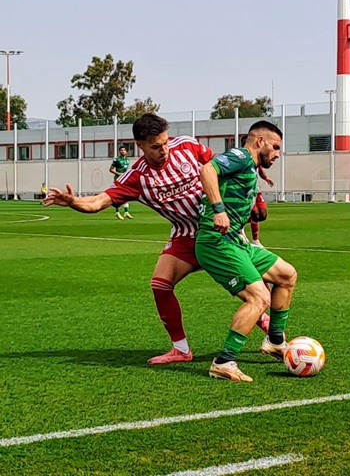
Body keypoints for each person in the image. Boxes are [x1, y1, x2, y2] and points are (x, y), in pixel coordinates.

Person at [44, 114, 270, 364]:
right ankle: (181, 349)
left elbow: (226, 167)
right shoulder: (137, 177)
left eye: (165, 142)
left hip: (219, 231)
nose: (164, 149)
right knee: (160, 285)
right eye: (155, 146)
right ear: (140, 145)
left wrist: (255, 191)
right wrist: (73, 202)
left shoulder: (187, 146)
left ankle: (274, 338)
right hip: (185, 236)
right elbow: (98, 202)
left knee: (251, 292)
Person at [196, 121, 298, 382]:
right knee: (259, 298)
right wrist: (219, 210)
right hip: (217, 242)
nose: (277, 154)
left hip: (237, 242)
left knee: (287, 275)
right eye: (275, 147)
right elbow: (207, 169)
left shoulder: (249, 165)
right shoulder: (241, 155)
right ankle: (224, 361)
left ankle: (275, 341)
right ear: (259, 141)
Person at [110, 146, 133, 220]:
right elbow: (111, 169)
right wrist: (119, 173)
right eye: (121, 150)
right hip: (118, 179)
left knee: (126, 195)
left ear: (126, 152)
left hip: (125, 179)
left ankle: (126, 212)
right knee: (117, 196)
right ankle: (117, 212)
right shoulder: (116, 159)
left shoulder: (127, 160)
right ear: (119, 152)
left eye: (124, 150)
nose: (122, 151)